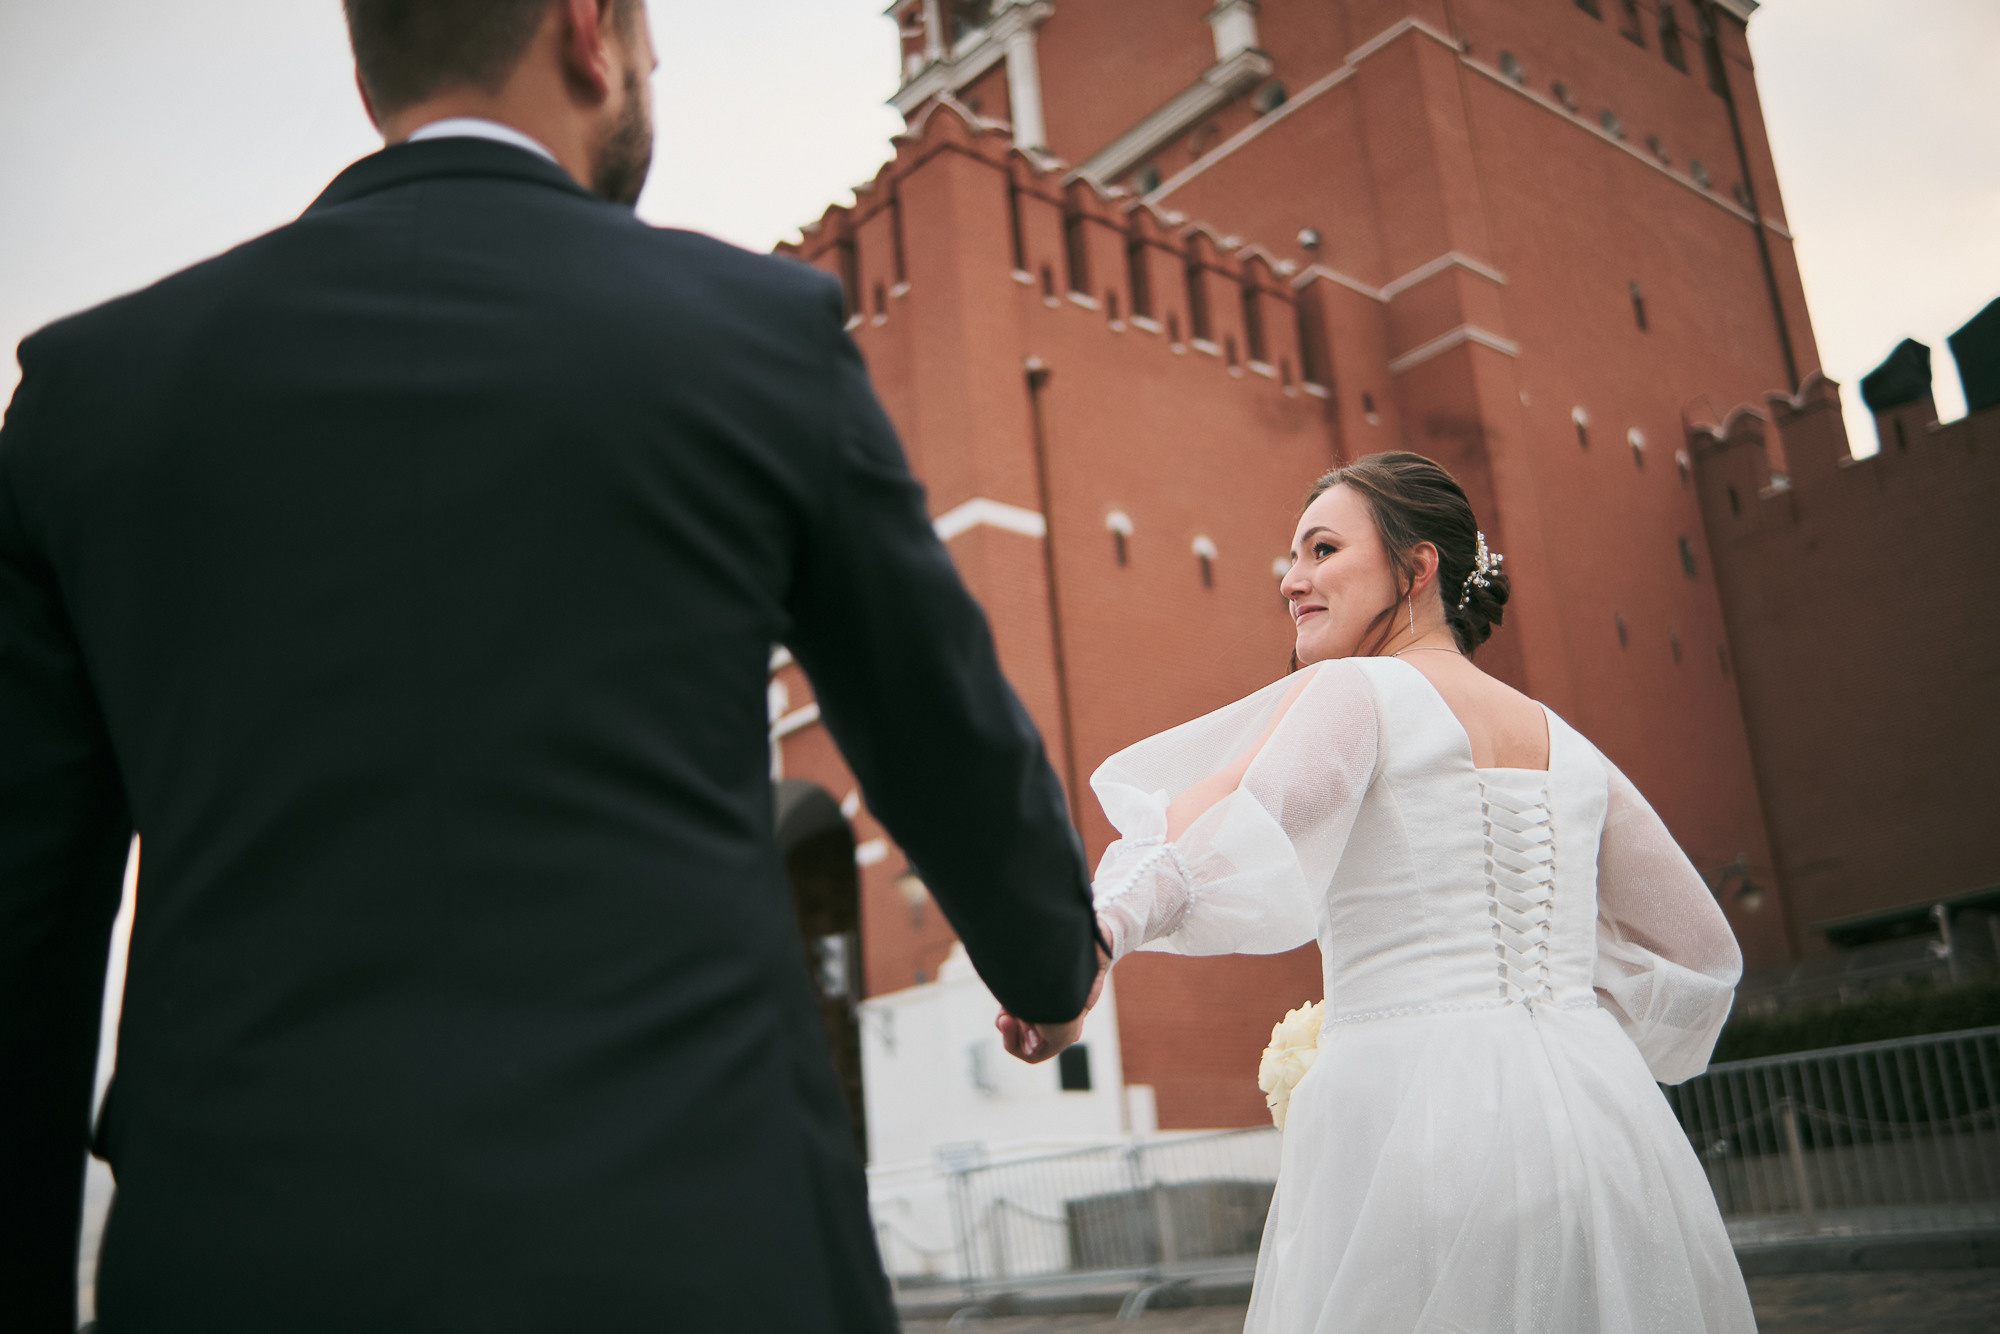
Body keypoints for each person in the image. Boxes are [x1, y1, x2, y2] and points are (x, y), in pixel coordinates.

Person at [0, 2, 1103, 1329]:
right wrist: (1049, 966)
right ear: (589, 32)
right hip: (698, 1246)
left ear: (371, 69)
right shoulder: (754, 335)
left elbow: (23, 923)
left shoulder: (89, 396)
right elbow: (941, 728)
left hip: (241, 1257)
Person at [1001, 453, 1756, 1332]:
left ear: (1417, 567)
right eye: (1293, 557)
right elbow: (1702, 956)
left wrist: (1083, 957)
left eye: (1322, 550)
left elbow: (1203, 837)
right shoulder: (1572, 748)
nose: (1291, 580)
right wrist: (1551, 1011)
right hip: (1607, 1124)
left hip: (1415, 1118)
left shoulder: (1358, 689)